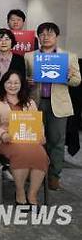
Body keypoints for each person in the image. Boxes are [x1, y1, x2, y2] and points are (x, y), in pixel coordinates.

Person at [24, 22, 81, 191]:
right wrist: (28, 82)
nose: (45, 37)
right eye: (42, 34)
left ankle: (54, 175)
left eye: (49, 34)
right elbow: (23, 79)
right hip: (35, 102)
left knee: (56, 141)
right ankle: (34, 173)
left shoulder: (69, 56)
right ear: (38, 37)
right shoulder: (29, 56)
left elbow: (77, 81)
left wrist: (68, 77)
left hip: (58, 105)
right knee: (32, 140)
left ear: (56, 36)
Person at [0, 70, 49, 205]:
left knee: (41, 154)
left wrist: (41, 135)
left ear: (22, 85)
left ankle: (32, 195)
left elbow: (38, 122)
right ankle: (20, 191)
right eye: (9, 82)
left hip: (29, 139)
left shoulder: (30, 102)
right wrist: (2, 134)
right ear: (3, 84)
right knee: (21, 153)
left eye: (16, 82)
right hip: (6, 140)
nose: (12, 85)